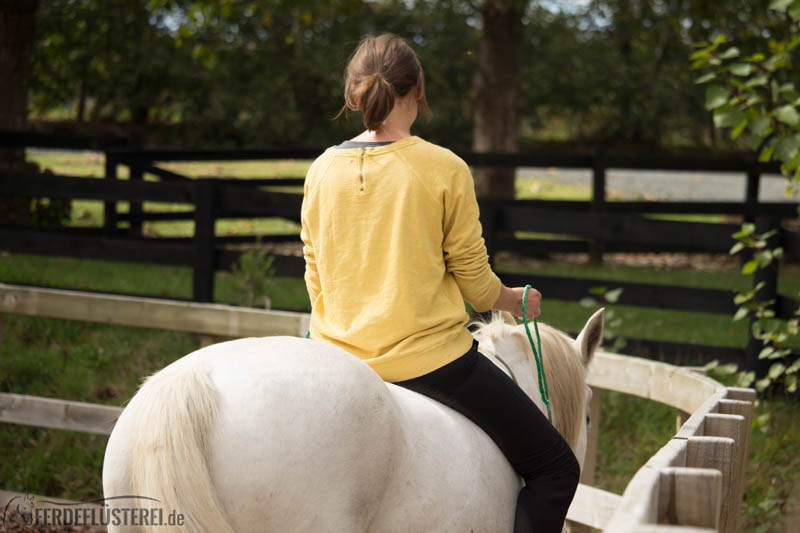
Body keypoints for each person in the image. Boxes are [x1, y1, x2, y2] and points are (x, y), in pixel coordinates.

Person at [300, 33, 579, 533]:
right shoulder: (443, 167)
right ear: (418, 89)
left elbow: (315, 274)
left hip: (336, 355)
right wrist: (514, 300)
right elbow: (476, 286)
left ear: (354, 92)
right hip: (431, 362)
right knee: (556, 468)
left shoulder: (321, 169)